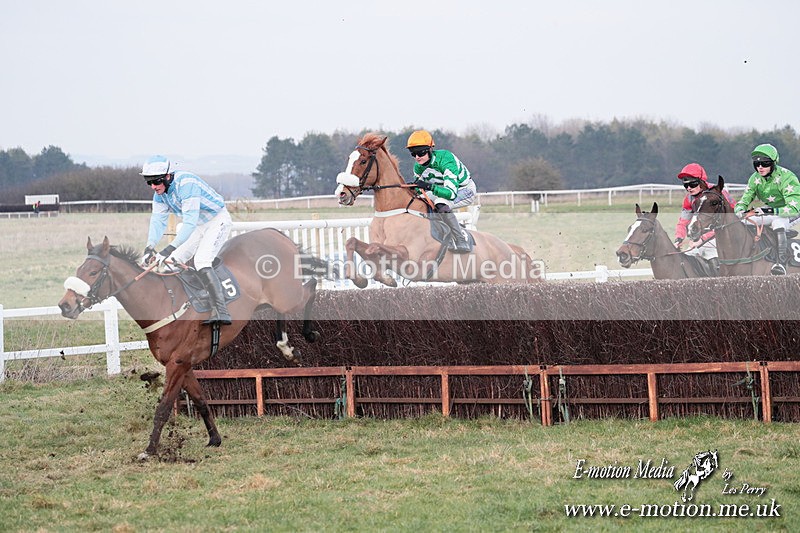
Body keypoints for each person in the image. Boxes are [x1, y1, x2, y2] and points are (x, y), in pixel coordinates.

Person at [140, 155, 233, 324]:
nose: (153, 186)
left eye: (156, 181)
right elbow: (157, 222)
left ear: (167, 176)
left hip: (216, 220)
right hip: (198, 224)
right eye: (149, 182)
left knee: (202, 261)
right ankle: (194, 298)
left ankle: (222, 311)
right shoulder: (159, 194)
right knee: (173, 262)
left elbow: (189, 223)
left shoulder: (186, 184)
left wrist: (167, 249)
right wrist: (149, 247)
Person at [734, 143, 800, 275]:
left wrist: (767, 211)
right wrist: (739, 210)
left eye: (764, 163)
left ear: (774, 163)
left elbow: (793, 208)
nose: (760, 167)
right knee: (744, 222)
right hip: (771, 209)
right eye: (756, 164)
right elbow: (744, 200)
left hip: (792, 210)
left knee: (778, 223)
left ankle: (781, 263)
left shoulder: (787, 177)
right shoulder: (755, 179)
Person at [406, 130, 477, 253]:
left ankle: (461, 240)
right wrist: (413, 187)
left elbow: (451, 193)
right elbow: (420, 190)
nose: (417, 157)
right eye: (413, 154)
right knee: (419, 201)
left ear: (430, 149)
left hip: (464, 190)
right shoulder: (418, 166)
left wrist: (429, 186)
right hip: (442, 190)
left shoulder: (446, 159)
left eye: (420, 152)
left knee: (440, 203)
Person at [673, 163, 734, 274]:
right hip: (700, 238)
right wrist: (678, 238)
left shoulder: (718, 193)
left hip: (725, 235)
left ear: (701, 181)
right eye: (686, 185)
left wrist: (702, 239)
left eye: (692, 184)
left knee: (709, 253)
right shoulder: (689, 199)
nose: (689, 188)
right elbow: (682, 222)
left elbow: (730, 220)